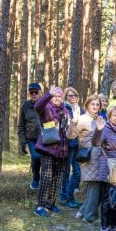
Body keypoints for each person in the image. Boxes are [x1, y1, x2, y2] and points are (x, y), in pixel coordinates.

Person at [69, 96, 108, 224]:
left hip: (100, 156)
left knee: (97, 185)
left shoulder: (99, 119)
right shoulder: (82, 119)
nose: (95, 107)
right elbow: (71, 135)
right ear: (87, 105)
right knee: (94, 185)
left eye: (97, 104)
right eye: (93, 104)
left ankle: (82, 211)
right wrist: (74, 122)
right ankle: (90, 216)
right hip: (88, 156)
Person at [33, 86, 71, 217]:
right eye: (55, 96)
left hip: (62, 150)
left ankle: (50, 203)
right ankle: (40, 205)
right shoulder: (46, 107)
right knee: (47, 177)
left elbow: (67, 129)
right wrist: (48, 94)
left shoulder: (65, 110)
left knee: (56, 178)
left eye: (59, 96)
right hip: (48, 148)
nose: (57, 98)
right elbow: (37, 106)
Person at [93, 106, 116, 231]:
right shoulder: (105, 129)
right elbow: (96, 143)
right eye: (115, 115)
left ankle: (114, 225)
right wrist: (98, 130)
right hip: (108, 168)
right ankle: (104, 227)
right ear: (109, 116)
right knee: (108, 199)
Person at [17, 82, 43, 190]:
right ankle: (36, 178)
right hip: (31, 139)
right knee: (36, 156)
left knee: (45, 159)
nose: (33, 94)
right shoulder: (25, 106)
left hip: (45, 138)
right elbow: (21, 126)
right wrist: (23, 142)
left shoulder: (45, 104)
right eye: (31, 92)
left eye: (36, 92)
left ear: (40, 93)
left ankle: (45, 180)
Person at [60, 87, 82, 208]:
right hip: (67, 144)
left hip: (78, 144)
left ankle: (68, 196)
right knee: (66, 171)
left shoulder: (80, 110)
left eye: (75, 95)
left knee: (77, 173)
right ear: (65, 97)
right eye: (70, 96)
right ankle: (64, 197)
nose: (73, 98)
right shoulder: (64, 109)